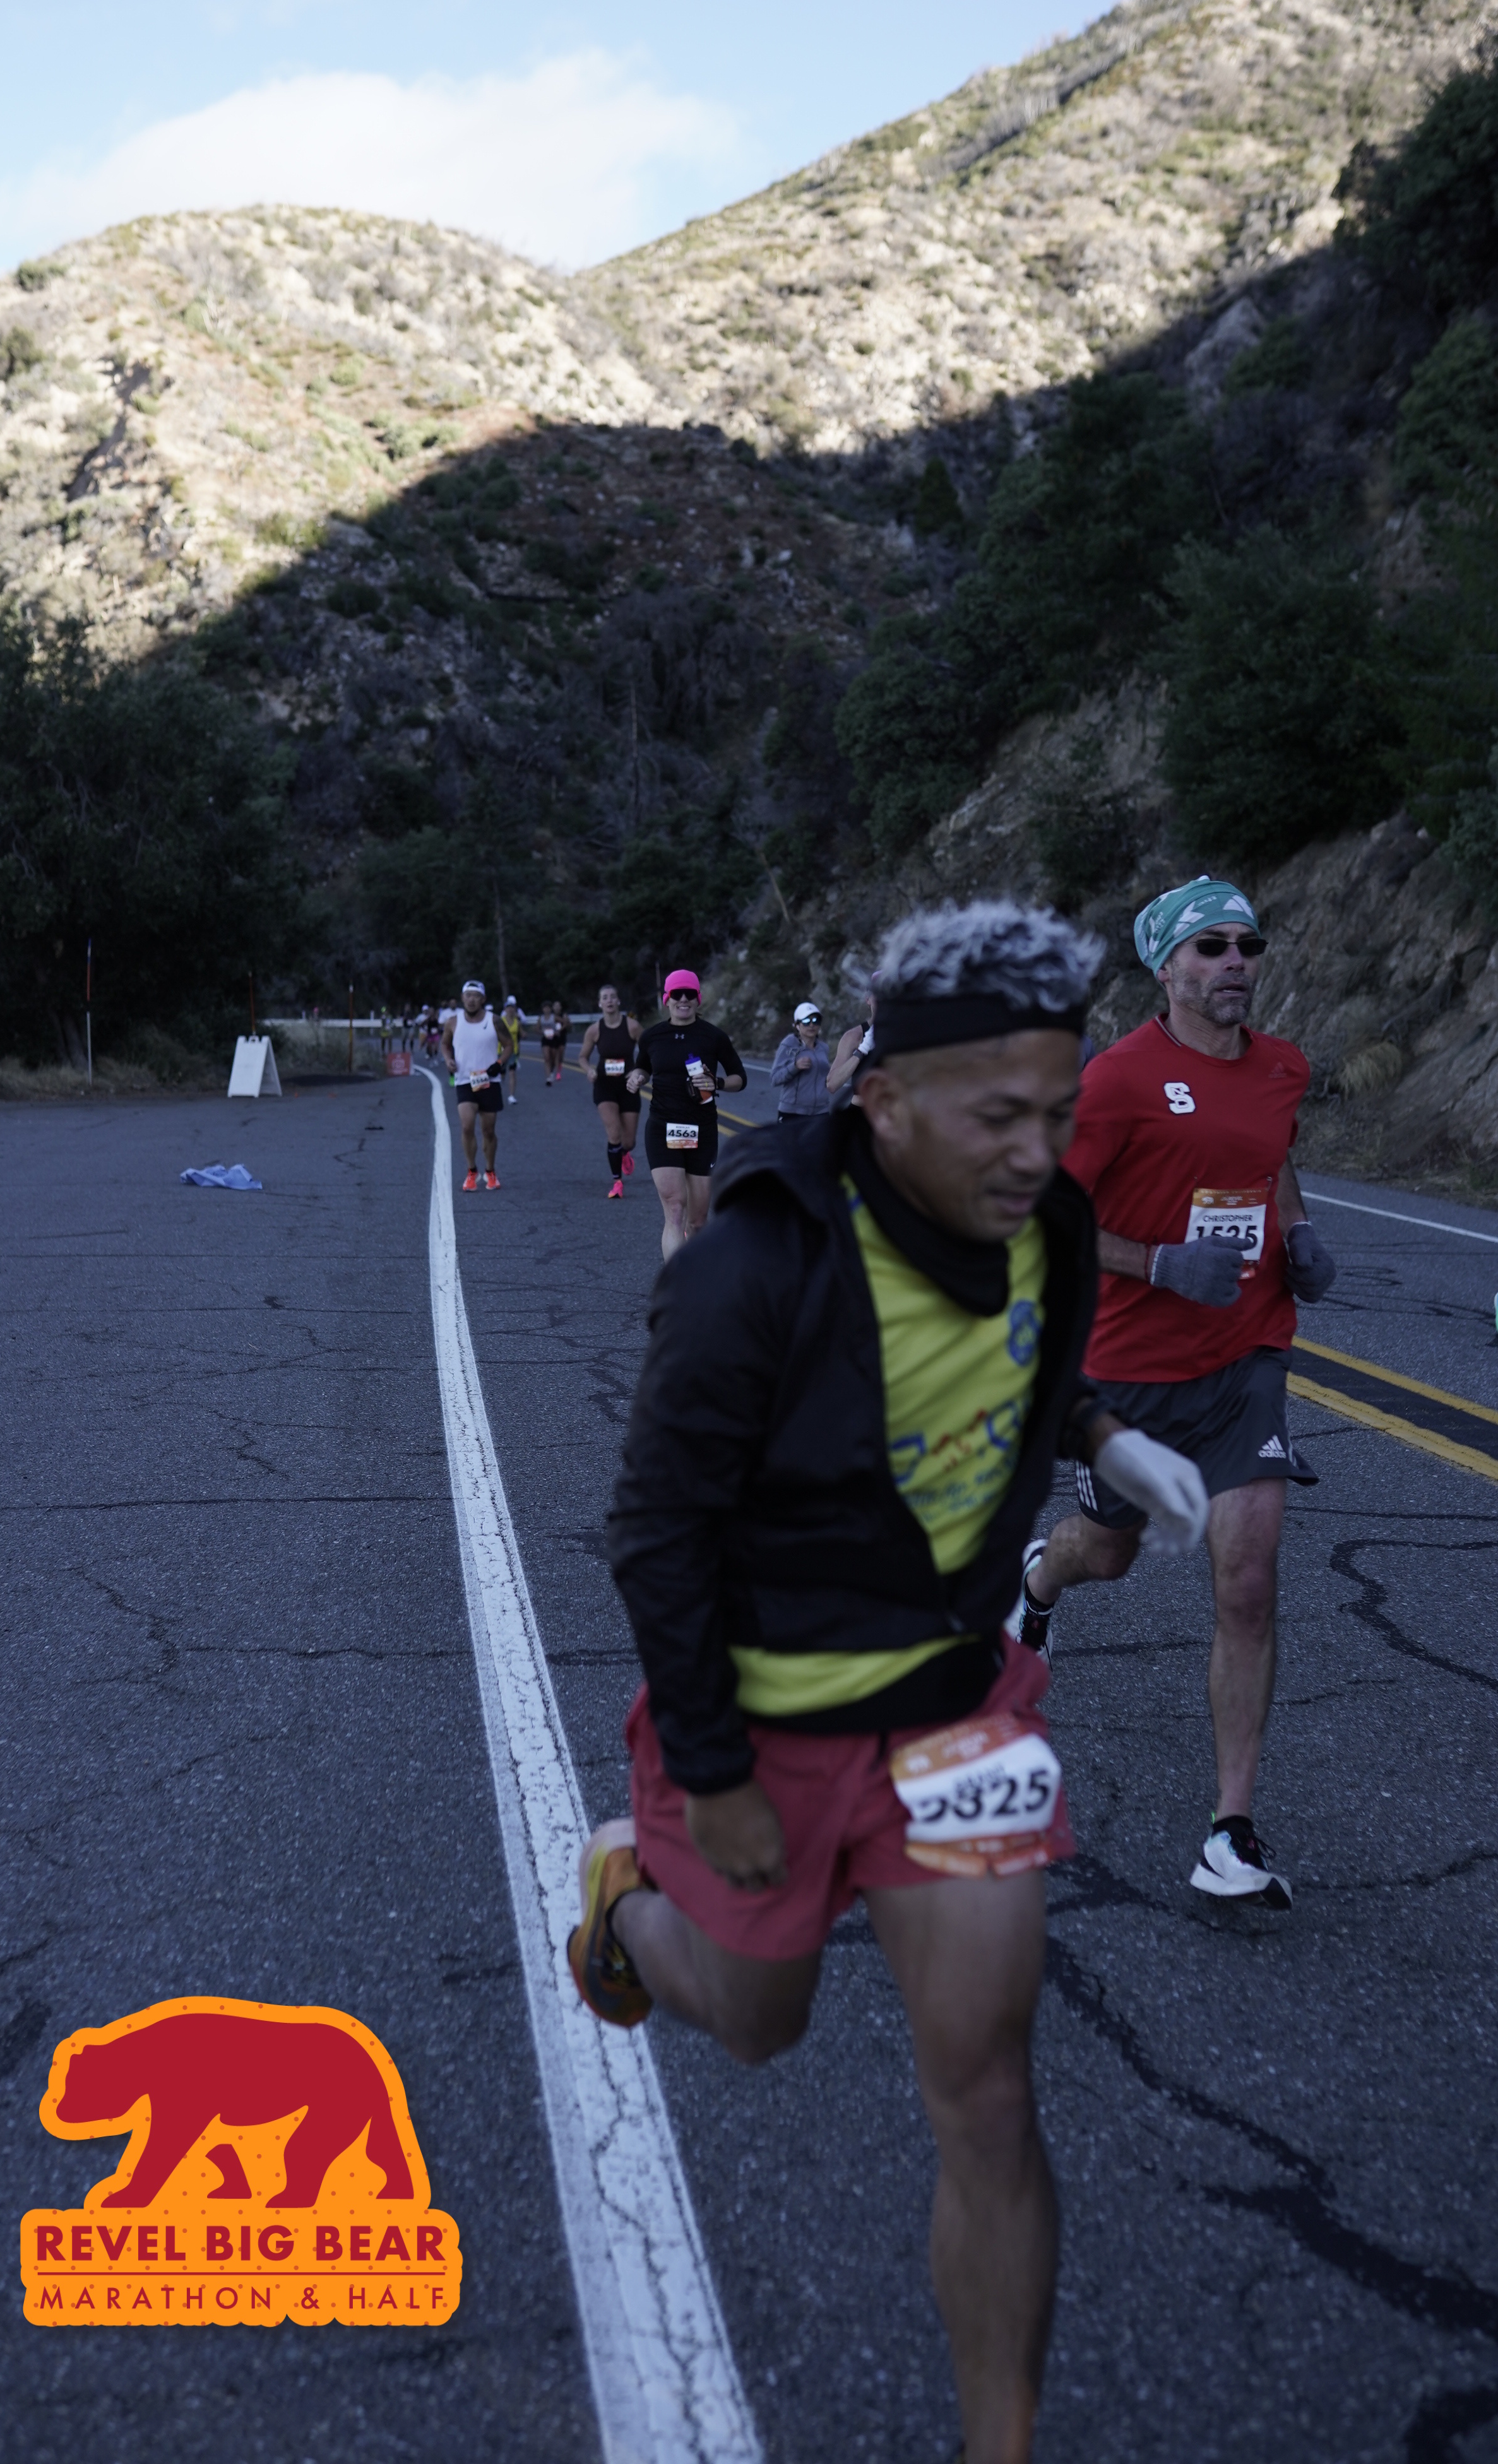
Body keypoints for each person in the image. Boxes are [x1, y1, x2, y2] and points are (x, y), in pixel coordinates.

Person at [570, 901, 1209, 2464]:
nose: (1032, 1154)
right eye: (995, 1118)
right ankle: (627, 1905)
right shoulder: (749, 1271)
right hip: (765, 1722)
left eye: (1054, 1115)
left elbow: (1025, 1355)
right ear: (883, 1102)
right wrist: (711, 1772)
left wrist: (1103, 1437)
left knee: (987, 2096)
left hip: (949, 1708)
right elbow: (654, 1533)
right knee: (759, 2023)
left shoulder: (1047, 1222)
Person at [1012, 877, 1338, 1910]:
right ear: (1165, 967)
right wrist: (1155, 1263)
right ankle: (1037, 1583)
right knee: (1105, 1552)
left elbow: (1271, 1158)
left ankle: (1228, 1832)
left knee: (1246, 1580)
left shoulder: (1281, 1065)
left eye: (1246, 943)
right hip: (1130, 1367)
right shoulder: (1115, 1082)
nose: (1235, 960)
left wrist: (1296, 1232)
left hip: (1247, 1355)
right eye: (1210, 946)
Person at [626, 972, 747, 1264]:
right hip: (662, 1127)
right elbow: (642, 1067)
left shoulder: (714, 1037)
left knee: (698, 1221)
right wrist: (637, 1077)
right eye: (677, 994)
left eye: (690, 994)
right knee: (675, 1208)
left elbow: (740, 1078)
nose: (684, 999)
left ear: (698, 999)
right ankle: (677, 1282)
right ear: (666, 999)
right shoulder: (652, 1037)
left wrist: (717, 1083)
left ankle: (695, 1273)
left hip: (702, 1129)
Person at [443, 981, 513, 1190]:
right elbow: (445, 1044)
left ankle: (490, 1171)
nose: (472, 1000)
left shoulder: (495, 1021)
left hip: (489, 1081)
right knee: (467, 1127)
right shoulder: (453, 1022)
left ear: (483, 999)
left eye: (476, 996)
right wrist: (448, 1059)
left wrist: (499, 1063)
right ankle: (472, 1171)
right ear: (462, 998)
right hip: (465, 1081)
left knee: (488, 1131)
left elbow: (509, 1045)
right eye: (468, 995)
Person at [579, 985, 644, 1199]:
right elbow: (583, 1057)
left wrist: (637, 1070)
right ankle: (617, 1182)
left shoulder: (633, 1027)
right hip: (604, 1085)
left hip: (628, 1086)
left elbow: (649, 1052)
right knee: (614, 1132)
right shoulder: (594, 1030)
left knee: (629, 1142)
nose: (609, 1001)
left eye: (612, 997)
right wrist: (589, 1071)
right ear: (600, 1004)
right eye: (605, 998)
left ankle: (624, 1153)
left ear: (618, 1001)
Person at [770, 1002, 831, 1121]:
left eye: (816, 1021)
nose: (812, 1025)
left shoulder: (824, 1048)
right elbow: (775, 1079)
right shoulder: (789, 1045)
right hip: (793, 1112)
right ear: (797, 1025)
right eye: (806, 1021)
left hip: (821, 1111)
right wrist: (795, 1067)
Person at [827, 993, 874, 1097]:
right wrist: (863, 1049)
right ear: (868, 1000)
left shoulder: (905, 1032)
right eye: (877, 995)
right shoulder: (855, 1036)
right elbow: (832, 1084)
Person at [500, 996, 523, 1103]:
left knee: (512, 1072)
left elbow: (521, 1034)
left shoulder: (517, 1022)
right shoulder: (500, 1021)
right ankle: (499, 1090)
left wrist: (524, 1035)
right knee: (501, 1073)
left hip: (513, 1051)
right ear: (505, 1009)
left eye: (512, 1008)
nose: (510, 1010)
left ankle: (512, 1096)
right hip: (501, 1050)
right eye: (508, 1008)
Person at [541, 1001, 569, 1084]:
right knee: (547, 1057)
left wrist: (558, 1031)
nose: (557, 1008)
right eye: (555, 1006)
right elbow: (537, 1028)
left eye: (558, 1006)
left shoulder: (558, 1016)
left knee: (557, 1056)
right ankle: (549, 1077)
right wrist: (543, 1032)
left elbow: (566, 1023)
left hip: (557, 1038)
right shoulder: (542, 1018)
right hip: (547, 1038)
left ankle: (556, 1071)